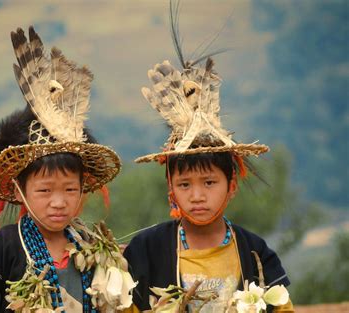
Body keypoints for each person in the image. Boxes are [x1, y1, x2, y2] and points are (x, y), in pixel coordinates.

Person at [123, 7, 294, 313]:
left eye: (210, 182)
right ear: (170, 188)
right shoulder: (145, 250)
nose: (197, 195)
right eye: (184, 184)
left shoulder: (254, 251)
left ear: (232, 185)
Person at [0, 26, 135, 313]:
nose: (59, 202)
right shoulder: (1, 254)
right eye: (44, 190)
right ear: (19, 190)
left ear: (83, 186)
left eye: (70, 189)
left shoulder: (95, 250)